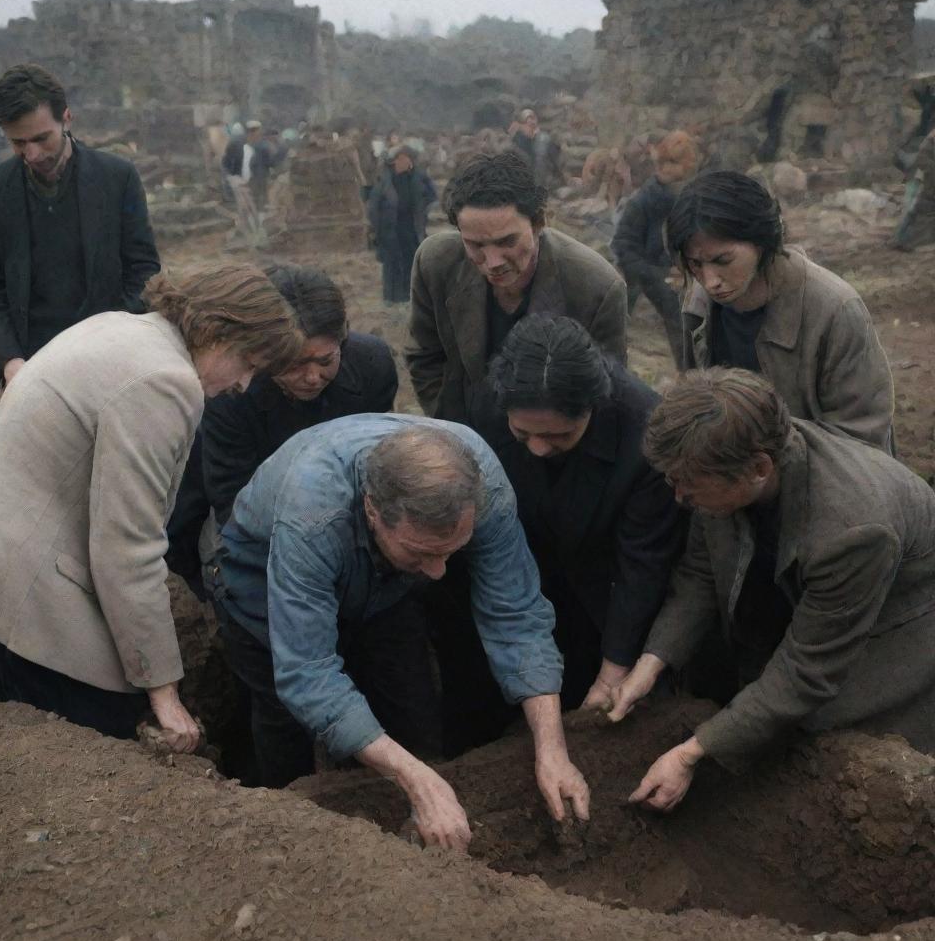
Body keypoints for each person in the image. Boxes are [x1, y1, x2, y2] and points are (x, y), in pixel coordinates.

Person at [0, 266, 303, 752]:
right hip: (26, 601)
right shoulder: (166, 381)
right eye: (249, 363)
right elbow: (127, 548)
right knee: (92, 756)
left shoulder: (120, 327)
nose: (245, 385)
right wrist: (164, 692)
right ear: (220, 331)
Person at [214, 416, 591, 850]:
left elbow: (517, 612)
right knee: (286, 727)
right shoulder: (312, 512)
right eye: (424, 553)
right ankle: (290, 845)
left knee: (411, 705)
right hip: (260, 580)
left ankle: (422, 822)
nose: (439, 572)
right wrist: (415, 782)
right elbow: (308, 672)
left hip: (385, 589)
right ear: (373, 511)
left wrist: (552, 749)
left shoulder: (481, 484)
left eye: (452, 551)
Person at [606, 368, 935, 812]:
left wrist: (691, 752)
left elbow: (808, 669)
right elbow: (701, 574)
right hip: (815, 591)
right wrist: (651, 664)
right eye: (672, 481)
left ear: (759, 469)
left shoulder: (853, 530)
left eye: (689, 486)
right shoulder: (718, 461)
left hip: (896, 623)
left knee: (838, 745)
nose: (679, 497)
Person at [435, 316, 683, 753]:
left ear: (592, 408)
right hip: (511, 569)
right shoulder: (485, 403)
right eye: (522, 433)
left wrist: (614, 669)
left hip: (600, 582)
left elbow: (642, 563)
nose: (536, 448)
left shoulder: (644, 430)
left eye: (558, 435)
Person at [164, 263, 398, 592]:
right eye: (293, 363)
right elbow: (232, 498)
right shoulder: (231, 390)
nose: (312, 377)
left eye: (326, 360)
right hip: (251, 508)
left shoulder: (371, 365)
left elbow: (380, 461)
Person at [667, 169, 895, 453]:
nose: (710, 281)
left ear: (762, 242)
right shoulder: (699, 302)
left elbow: (862, 437)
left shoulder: (835, 310)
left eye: (723, 260)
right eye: (696, 265)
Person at [406, 150, 628, 426]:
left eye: (507, 242)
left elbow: (605, 392)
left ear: (539, 222)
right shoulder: (435, 263)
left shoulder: (596, 287)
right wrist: (456, 428)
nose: (493, 262)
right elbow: (425, 358)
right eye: (475, 245)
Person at [0, 63, 160, 385]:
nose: (31, 154)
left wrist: (115, 334)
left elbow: (143, 270)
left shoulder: (117, 178)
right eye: (18, 143)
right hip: (31, 366)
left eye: (41, 138)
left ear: (66, 118)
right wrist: (10, 360)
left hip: (110, 357)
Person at [611, 130, 699, 368]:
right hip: (646, 269)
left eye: (675, 163)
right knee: (676, 314)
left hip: (683, 269)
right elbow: (623, 245)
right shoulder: (644, 201)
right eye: (665, 162)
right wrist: (658, 274)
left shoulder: (691, 194)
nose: (668, 169)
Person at [367, 145, 437, 305]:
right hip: (389, 228)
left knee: (410, 260)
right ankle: (390, 296)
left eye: (406, 159)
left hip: (411, 226)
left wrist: (423, 210)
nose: (403, 162)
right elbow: (374, 205)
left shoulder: (418, 178)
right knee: (391, 263)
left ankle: (408, 295)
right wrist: (376, 226)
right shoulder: (385, 180)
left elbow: (431, 196)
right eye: (400, 159)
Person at [510, 109, 563, 191]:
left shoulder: (542, 138)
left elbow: (553, 155)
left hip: (540, 174)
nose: (530, 122)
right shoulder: (516, 137)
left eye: (532, 119)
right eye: (527, 121)